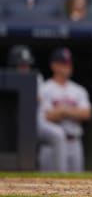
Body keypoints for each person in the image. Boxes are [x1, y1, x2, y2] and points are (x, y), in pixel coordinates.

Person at [7, 44, 69, 172]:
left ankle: (62, 174)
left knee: (58, 134)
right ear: (13, 66)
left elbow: (38, 99)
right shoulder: (6, 77)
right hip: (11, 122)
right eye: (21, 65)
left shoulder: (36, 78)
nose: (25, 68)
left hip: (34, 122)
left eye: (27, 65)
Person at [38, 47, 92, 172]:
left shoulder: (78, 90)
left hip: (74, 141)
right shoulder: (45, 88)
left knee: (77, 185)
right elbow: (47, 116)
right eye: (63, 63)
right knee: (47, 185)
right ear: (54, 65)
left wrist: (63, 110)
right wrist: (73, 112)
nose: (68, 67)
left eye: (69, 63)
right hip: (51, 144)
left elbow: (87, 114)